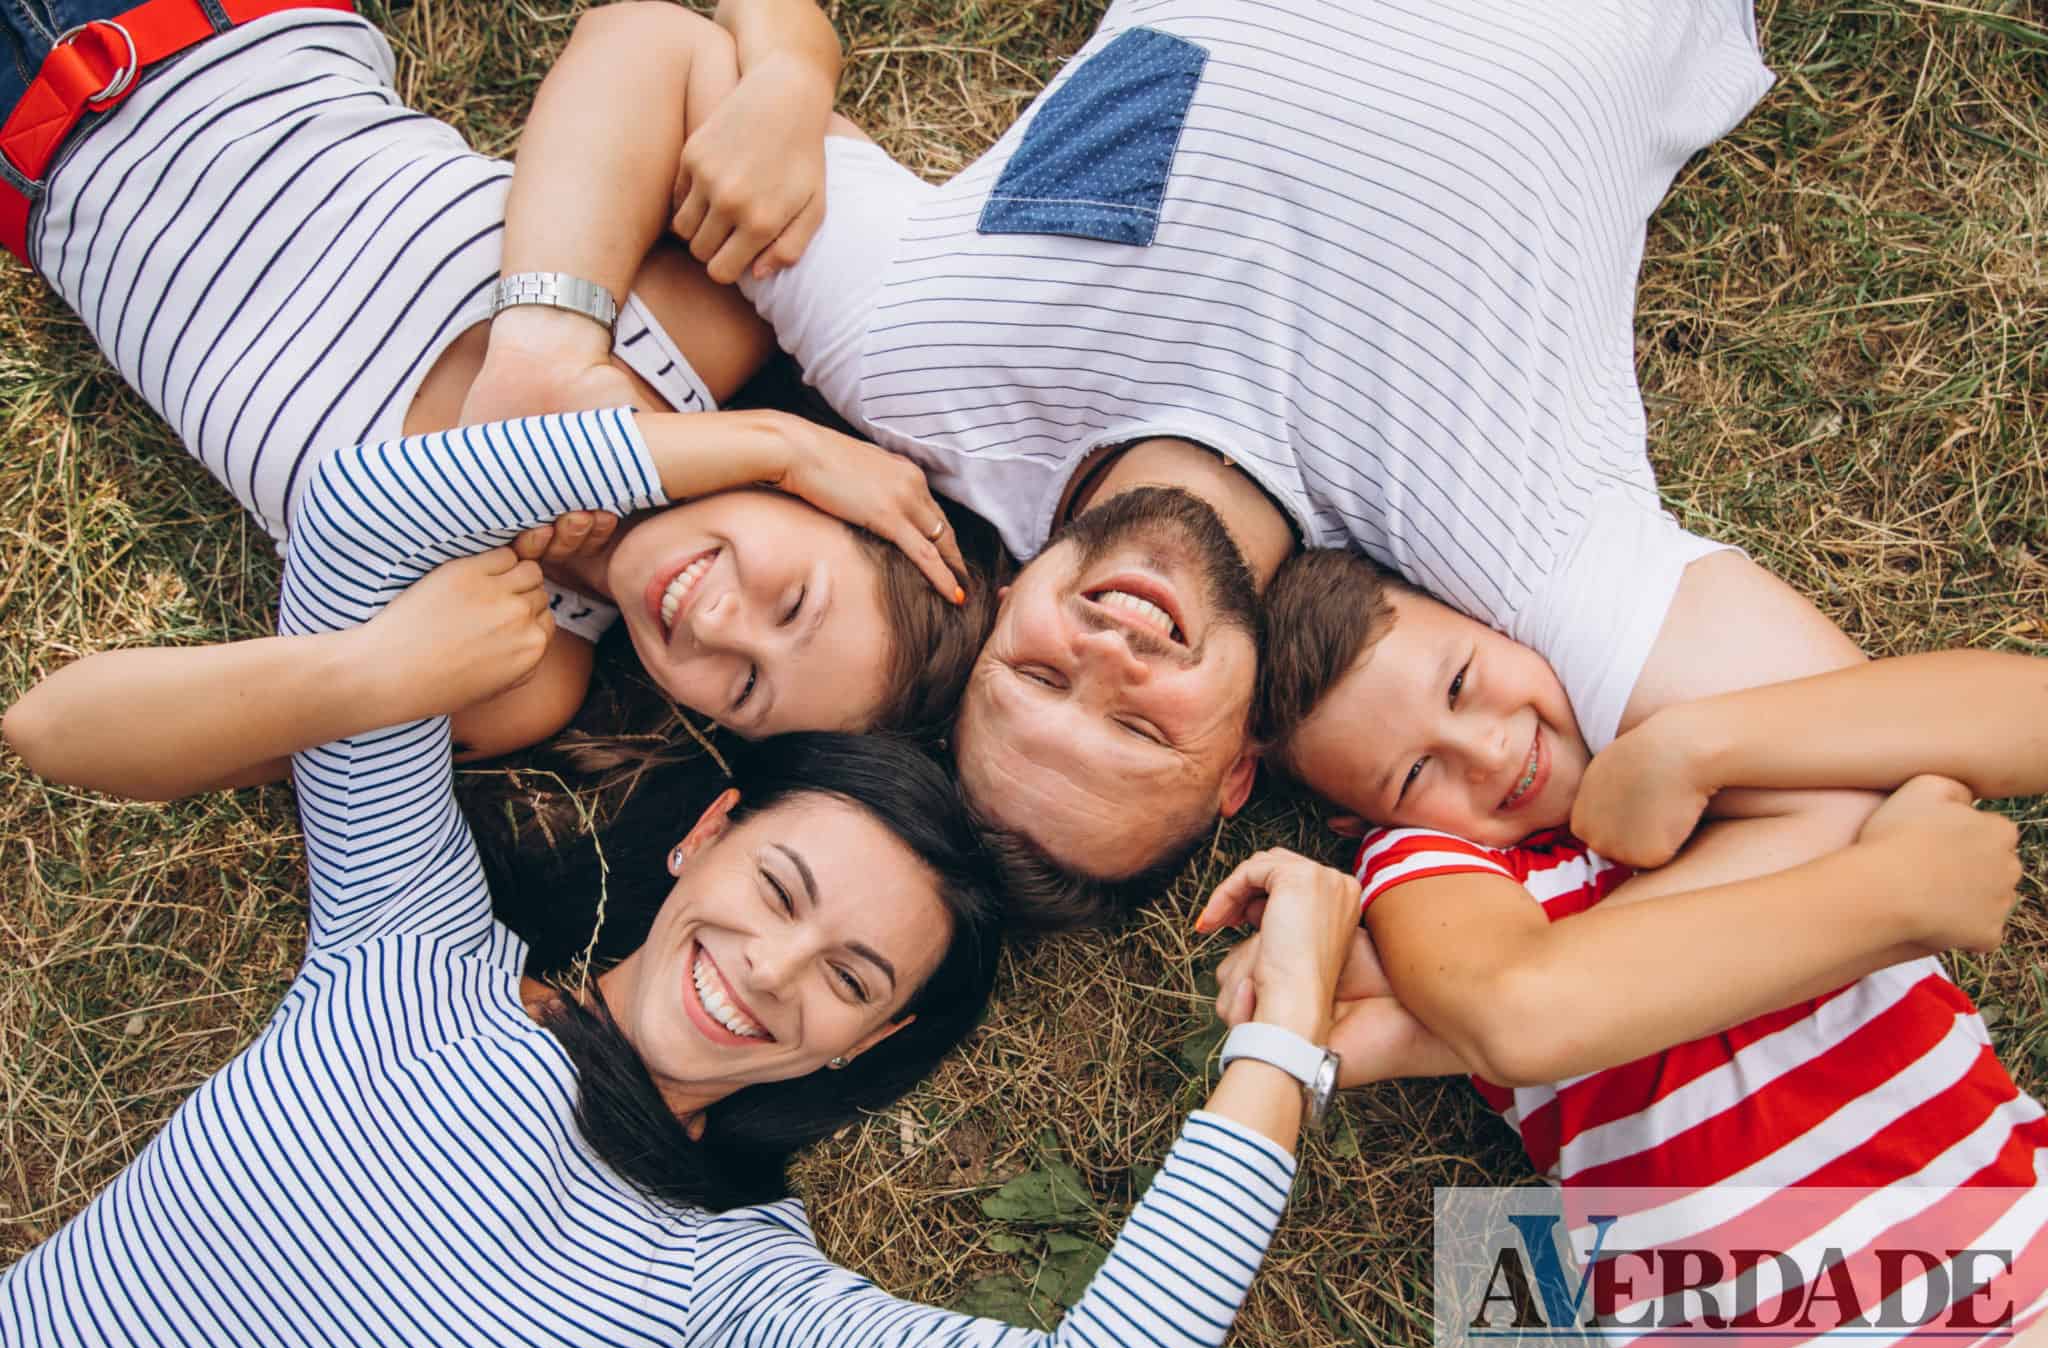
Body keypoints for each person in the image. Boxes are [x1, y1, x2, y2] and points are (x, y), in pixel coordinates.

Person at [0, 400, 1369, 1348]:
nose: (773, 970)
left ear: (877, 1038)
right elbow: (367, 510)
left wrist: (1282, 1033)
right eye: (778, 887)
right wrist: (767, 448)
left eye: (851, 977)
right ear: (703, 835)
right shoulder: (406, 946)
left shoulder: (724, 1290)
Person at [481, 0, 1888, 929]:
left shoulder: (925, 370)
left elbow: (665, 57)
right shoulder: (1510, 553)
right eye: (1144, 726)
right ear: (1238, 768)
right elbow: (1855, 773)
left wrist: (550, 345)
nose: (1111, 654)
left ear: (990, 627)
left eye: (1039, 678)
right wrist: (1515, 985)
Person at [0, 0, 991, 788]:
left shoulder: (516, 660)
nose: (719, 624)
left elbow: (63, 731)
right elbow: (655, 43)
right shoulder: (706, 321)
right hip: (229, 22)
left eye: (743, 687)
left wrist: (377, 669)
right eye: (791, 601)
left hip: (27, 165)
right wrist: (551, 350)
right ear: (823, 493)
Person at [1209, 546, 2048, 1348]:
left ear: (1496, 621)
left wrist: (1693, 746)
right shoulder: (1433, 861)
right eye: (1414, 775)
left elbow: (2008, 722)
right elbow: (1519, 999)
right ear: (1365, 825)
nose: (1491, 752)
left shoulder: (1701, 719)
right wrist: (1881, 871)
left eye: (1462, 682)